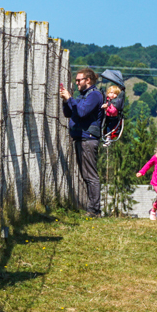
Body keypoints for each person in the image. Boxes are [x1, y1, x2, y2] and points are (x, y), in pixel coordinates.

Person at [60, 67, 104, 217]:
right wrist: (66, 101)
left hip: (88, 138)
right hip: (81, 138)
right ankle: (92, 208)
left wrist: (70, 99)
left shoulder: (94, 95)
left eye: (79, 80)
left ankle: (94, 210)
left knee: (90, 175)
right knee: (85, 175)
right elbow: (69, 113)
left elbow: (83, 112)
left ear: (88, 80)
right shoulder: (82, 95)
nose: (77, 83)